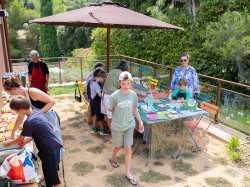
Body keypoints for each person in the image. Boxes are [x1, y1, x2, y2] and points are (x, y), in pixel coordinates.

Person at [3, 95, 63, 187]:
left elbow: (20, 139)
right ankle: (49, 181)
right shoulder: (37, 113)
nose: (16, 113)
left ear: (20, 111)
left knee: (54, 180)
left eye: (15, 111)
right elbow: (42, 131)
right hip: (53, 147)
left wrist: (8, 143)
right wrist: (28, 139)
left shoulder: (29, 122)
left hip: (49, 150)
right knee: (50, 174)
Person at [3, 75, 62, 144]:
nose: (10, 95)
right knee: (44, 142)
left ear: (13, 89)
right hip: (40, 120)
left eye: (9, 92)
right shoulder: (21, 97)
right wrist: (13, 133)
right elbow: (20, 116)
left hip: (49, 118)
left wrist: (36, 115)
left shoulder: (32, 92)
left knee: (53, 142)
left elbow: (52, 101)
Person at [108, 71, 144, 185]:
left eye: (128, 83)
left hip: (129, 125)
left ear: (131, 83)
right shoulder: (114, 96)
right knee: (118, 146)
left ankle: (128, 172)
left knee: (128, 148)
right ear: (119, 83)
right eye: (123, 83)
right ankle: (113, 157)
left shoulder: (133, 95)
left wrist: (140, 121)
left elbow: (134, 109)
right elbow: (110, 110)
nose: (126, 86)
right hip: (117, 127)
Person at [101, 60, 129, 135]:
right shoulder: (122, 74)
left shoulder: (112, 71)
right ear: (126, 68)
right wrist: (139, 94)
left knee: (109, 116)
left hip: (105, 95)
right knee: (113, 117)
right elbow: (127, 88)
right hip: (110, 97)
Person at [88, 69, 109, 135]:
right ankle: (102, 130)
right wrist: (105, 93)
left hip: (92, 101)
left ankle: (94, 128)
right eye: (103, 79)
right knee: (100, 116)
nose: (103, 81)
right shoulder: (96, 84)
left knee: (95, 115)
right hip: (96, 102)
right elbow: (100, 95)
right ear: (100, 77)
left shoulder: (92, 81)